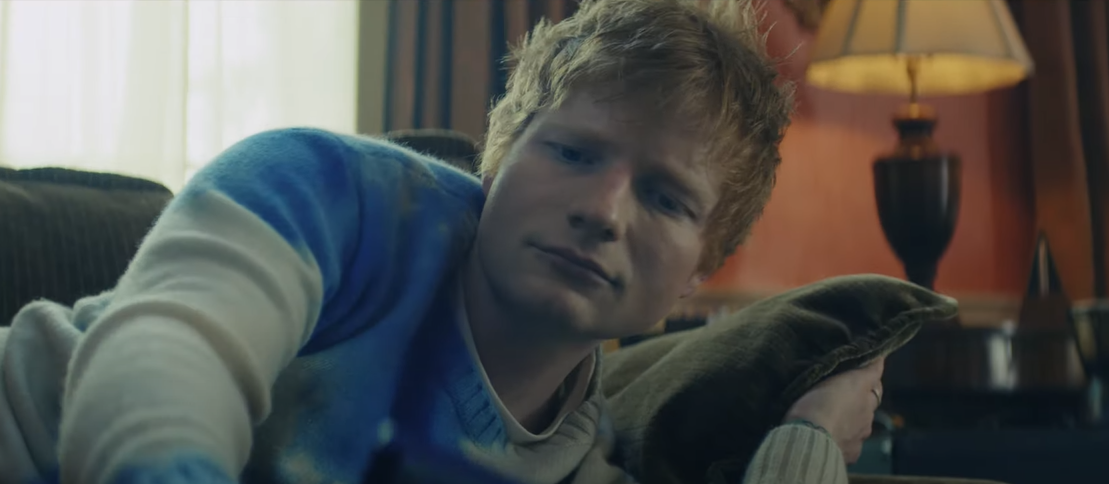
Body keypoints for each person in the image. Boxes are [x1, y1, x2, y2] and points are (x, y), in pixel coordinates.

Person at [0, 0, 885, 483]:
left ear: (700, 270)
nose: (603, 211)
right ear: (496, 161)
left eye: (664, 197)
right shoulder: (336, 194)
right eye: (573, 153)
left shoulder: (579, 463)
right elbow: (166, 358)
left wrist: (808, 432)